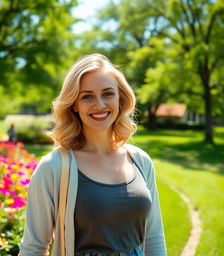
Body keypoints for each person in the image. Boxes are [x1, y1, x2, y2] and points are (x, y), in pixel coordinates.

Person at [18, 54, 167, 256]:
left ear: (120, 98)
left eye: (108, 94)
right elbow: (33, 249)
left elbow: (154, 237)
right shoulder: (52, 168)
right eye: (87, 96)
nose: (100, 104)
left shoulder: (140, 161)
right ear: (74, 104)